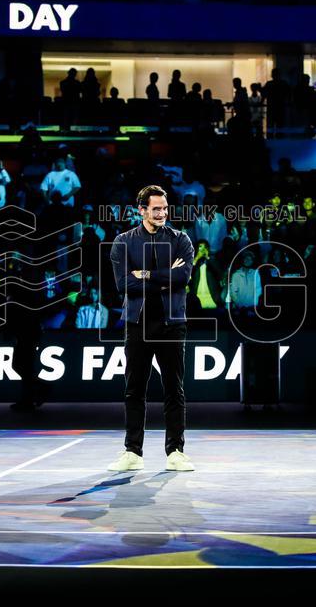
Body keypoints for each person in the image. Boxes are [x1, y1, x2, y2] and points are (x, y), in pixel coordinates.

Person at [108, 185, 194, 472]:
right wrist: (164, 276)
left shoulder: (182, 240)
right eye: (156, 209)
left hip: (171, 324)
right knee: (134, 390)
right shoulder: (123, 242)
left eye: (165, 208)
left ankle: (176, 451)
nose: (162, 214)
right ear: (141, 210)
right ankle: (133, 452)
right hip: (138, 323)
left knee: (174, 389)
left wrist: (143, 274)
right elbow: (123, 285)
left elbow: (181, 278)